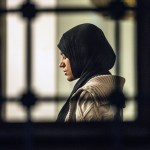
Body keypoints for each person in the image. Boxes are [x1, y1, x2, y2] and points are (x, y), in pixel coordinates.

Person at [56, 23, 125, 122]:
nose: (61, 64)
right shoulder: (109, 88)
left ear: (82, 54)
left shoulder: (89, 94)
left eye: (65, 57)